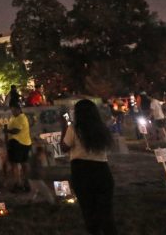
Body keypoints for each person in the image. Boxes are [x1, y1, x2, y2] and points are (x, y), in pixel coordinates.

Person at [61, 99, 117, 235]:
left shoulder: (74, 129)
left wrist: (64, 127)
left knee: (88, 210)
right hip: (102, 170)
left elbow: (64, 147)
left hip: (82, 171)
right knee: (106, 212)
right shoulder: (101, 128)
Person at [4, 103, 31, 193]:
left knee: (16, 164)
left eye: (14, 110)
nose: (13, 112)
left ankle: (19, 183)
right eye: (12, 110)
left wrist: (7, 130)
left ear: (19, 109)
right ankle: (24, 182)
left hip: (19, 143)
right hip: (20, 143)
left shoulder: (21, 118)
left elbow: (16, 131)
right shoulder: (14, 117)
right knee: (22, 163)